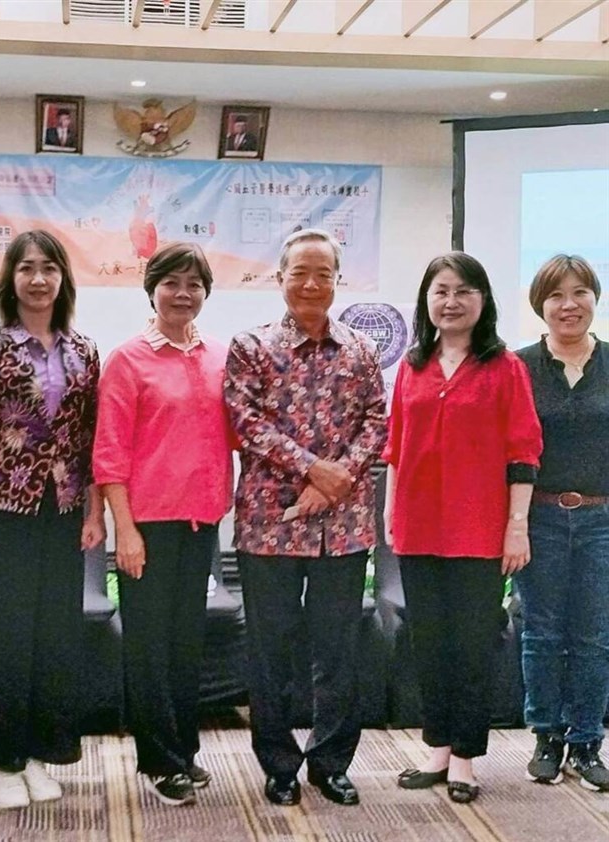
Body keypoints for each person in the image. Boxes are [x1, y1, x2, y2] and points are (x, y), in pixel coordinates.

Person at [0, 230, 105, 810]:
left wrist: (93, 512)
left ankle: (38, 752)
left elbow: (90, 444)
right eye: (27, 268)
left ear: (63, 278)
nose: (39, 279)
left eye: (49, 268)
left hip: (60, 513)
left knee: (53, 638)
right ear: (10, 279)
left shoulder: (83, 350)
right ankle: (0, 760)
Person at [224, 228, 387, 808]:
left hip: (344, 528)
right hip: (269, 524)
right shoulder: (251, 346)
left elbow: (376, 421)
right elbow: (244, 422)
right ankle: (279, 764)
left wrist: (336, 480)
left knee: (339, 648)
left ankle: (331, 761)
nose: (312, 284)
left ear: (338, 280)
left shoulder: (362, 351)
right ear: (280, 279)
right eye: (300, 273)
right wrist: (319, 470)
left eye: (324, 273)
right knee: (270, 650)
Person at [382, 251, 542, 804]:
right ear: (427, 300)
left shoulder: (505, 368)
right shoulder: (411, 365)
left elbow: (524, 454)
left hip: (480, 529)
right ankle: (437, 750)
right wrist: (390, 511)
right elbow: (396, 448)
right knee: (428, 642)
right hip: (419, 526)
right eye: (440, 291)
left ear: (483, 301)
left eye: (463, 292)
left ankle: (467, 759)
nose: (451, 302)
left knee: (472, 645)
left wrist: (516, 527)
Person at [92, 242, 234, 807]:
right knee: (149, 645)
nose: (183, 293)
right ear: (151, 289)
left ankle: (184, 750)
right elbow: (109, 453)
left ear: (205, 293)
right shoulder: (128, 360)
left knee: (185, 644)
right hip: (146, 525)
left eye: (194, 284)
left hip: (202, 522)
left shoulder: (221, 355)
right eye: (171, 282)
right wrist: (124, 529)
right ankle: (159, 760)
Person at [514, 255, 609, 792]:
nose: (568, 305)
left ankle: (588, 741)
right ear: (541, 305)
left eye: (580, 293)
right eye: (556, 295)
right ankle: (547, 737)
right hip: (541, 516)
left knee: (595, 636)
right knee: (542, 632)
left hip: (602, 519)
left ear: (595, 299)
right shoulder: (519, 367)